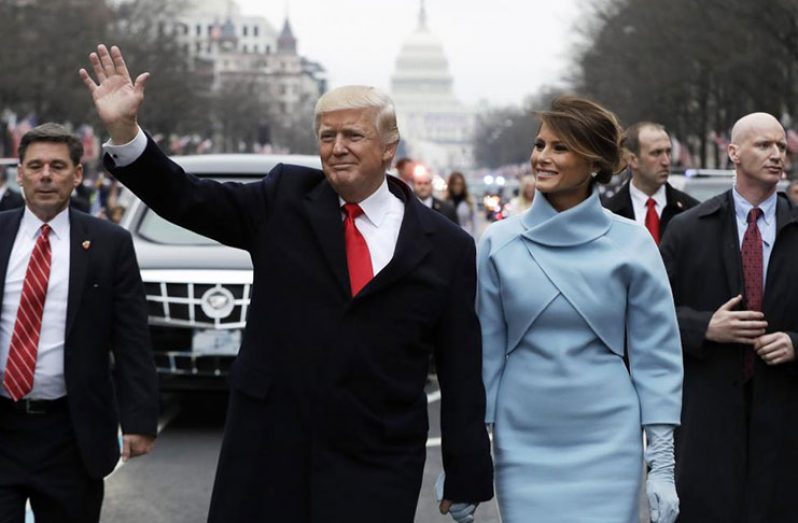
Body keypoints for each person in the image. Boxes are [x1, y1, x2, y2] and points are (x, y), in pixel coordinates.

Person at [80, 44, 492, 523]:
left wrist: (467, 468)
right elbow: (185, 197)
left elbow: (461, 367)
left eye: (353, 135)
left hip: (376, 459)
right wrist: (126, 132)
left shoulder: (446, 246)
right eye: (327, 135)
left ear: (388, 147)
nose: (337, 147)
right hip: (269, 449)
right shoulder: (283, 201)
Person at [478, 96, 683, 523]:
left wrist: (662, 464)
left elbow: (657, 356)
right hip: (522, 440)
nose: (542, 158)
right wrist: (470, 454)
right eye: (539, 145)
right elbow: (484, 355)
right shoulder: (498, 243)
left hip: (609, 440)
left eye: (559, 147)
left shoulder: (634, 243)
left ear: (593, 162)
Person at [0, 123, 158, 522]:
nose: (46, 175)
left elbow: (131, 336)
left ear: (77, 174)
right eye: (35, 166)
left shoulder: (109, 244)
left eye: (57, 165)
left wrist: (139, 420)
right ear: (19, 174)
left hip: (71, 433)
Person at [660, 112, 798, 522]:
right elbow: (647, 317)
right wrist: (705, 327)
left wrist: (795, 342)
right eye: (764, 145)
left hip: (785, 418)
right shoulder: (687, 230)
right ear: (733, 153)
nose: (776, 154)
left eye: (781, 146)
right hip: (708, 418)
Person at [604, 122, 698, 244]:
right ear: (633, 160)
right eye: (656, 153)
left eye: (668, 152)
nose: (666, 161)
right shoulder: (609, 215)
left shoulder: (692, 211)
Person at [445, 171, 478, 237]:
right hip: (449, 237)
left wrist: (475, 240)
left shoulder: (470, 201)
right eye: (455, 184)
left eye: (460, 184)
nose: (457, 187)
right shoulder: (445, 201)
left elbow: (475, 223)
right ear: (450, 185)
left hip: (465, 236)